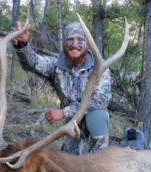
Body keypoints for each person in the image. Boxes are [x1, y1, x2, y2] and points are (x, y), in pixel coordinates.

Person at [11, 21, 111, 155]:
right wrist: (22, 45)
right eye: (70, 40)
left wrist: (64, 112)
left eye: (80, 41)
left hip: (93, 119)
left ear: (87, 44)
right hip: (72, 124)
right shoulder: (56, 65)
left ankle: (101, 160)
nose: (75, 45)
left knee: (97, 117)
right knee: (69, 161)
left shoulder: (100, 67)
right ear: (64, 43)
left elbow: (100, 101)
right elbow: (33, 63)